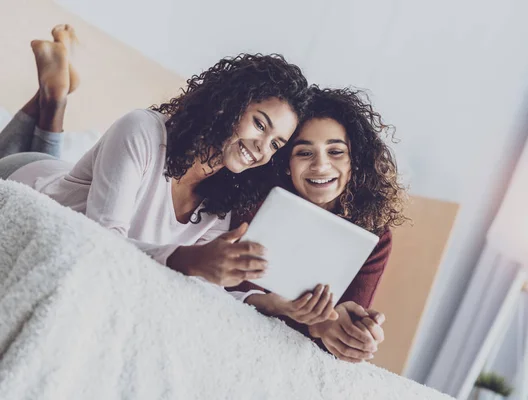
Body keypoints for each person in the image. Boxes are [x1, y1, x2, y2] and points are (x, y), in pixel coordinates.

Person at [0, 25, 321, 298]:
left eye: (276, 144)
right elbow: (99, 240)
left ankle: (55, 93)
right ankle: (54, 98)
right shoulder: (141, 129)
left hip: (65, 178)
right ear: (228, 105)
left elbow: (205, 287)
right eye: (260, 125)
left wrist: (273, 303)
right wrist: (189, 259)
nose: (262, 148)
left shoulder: (220, 202)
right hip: (27, 176)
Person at [229, 87, 407, 362]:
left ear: (354, 162)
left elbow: (342, 325)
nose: (321, 166)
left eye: (336, 151)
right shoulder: (256, 201)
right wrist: (315, 323)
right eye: (304, 153)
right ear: (286, 163)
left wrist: (356, 335)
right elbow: (229, 288)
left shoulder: (374, 234)